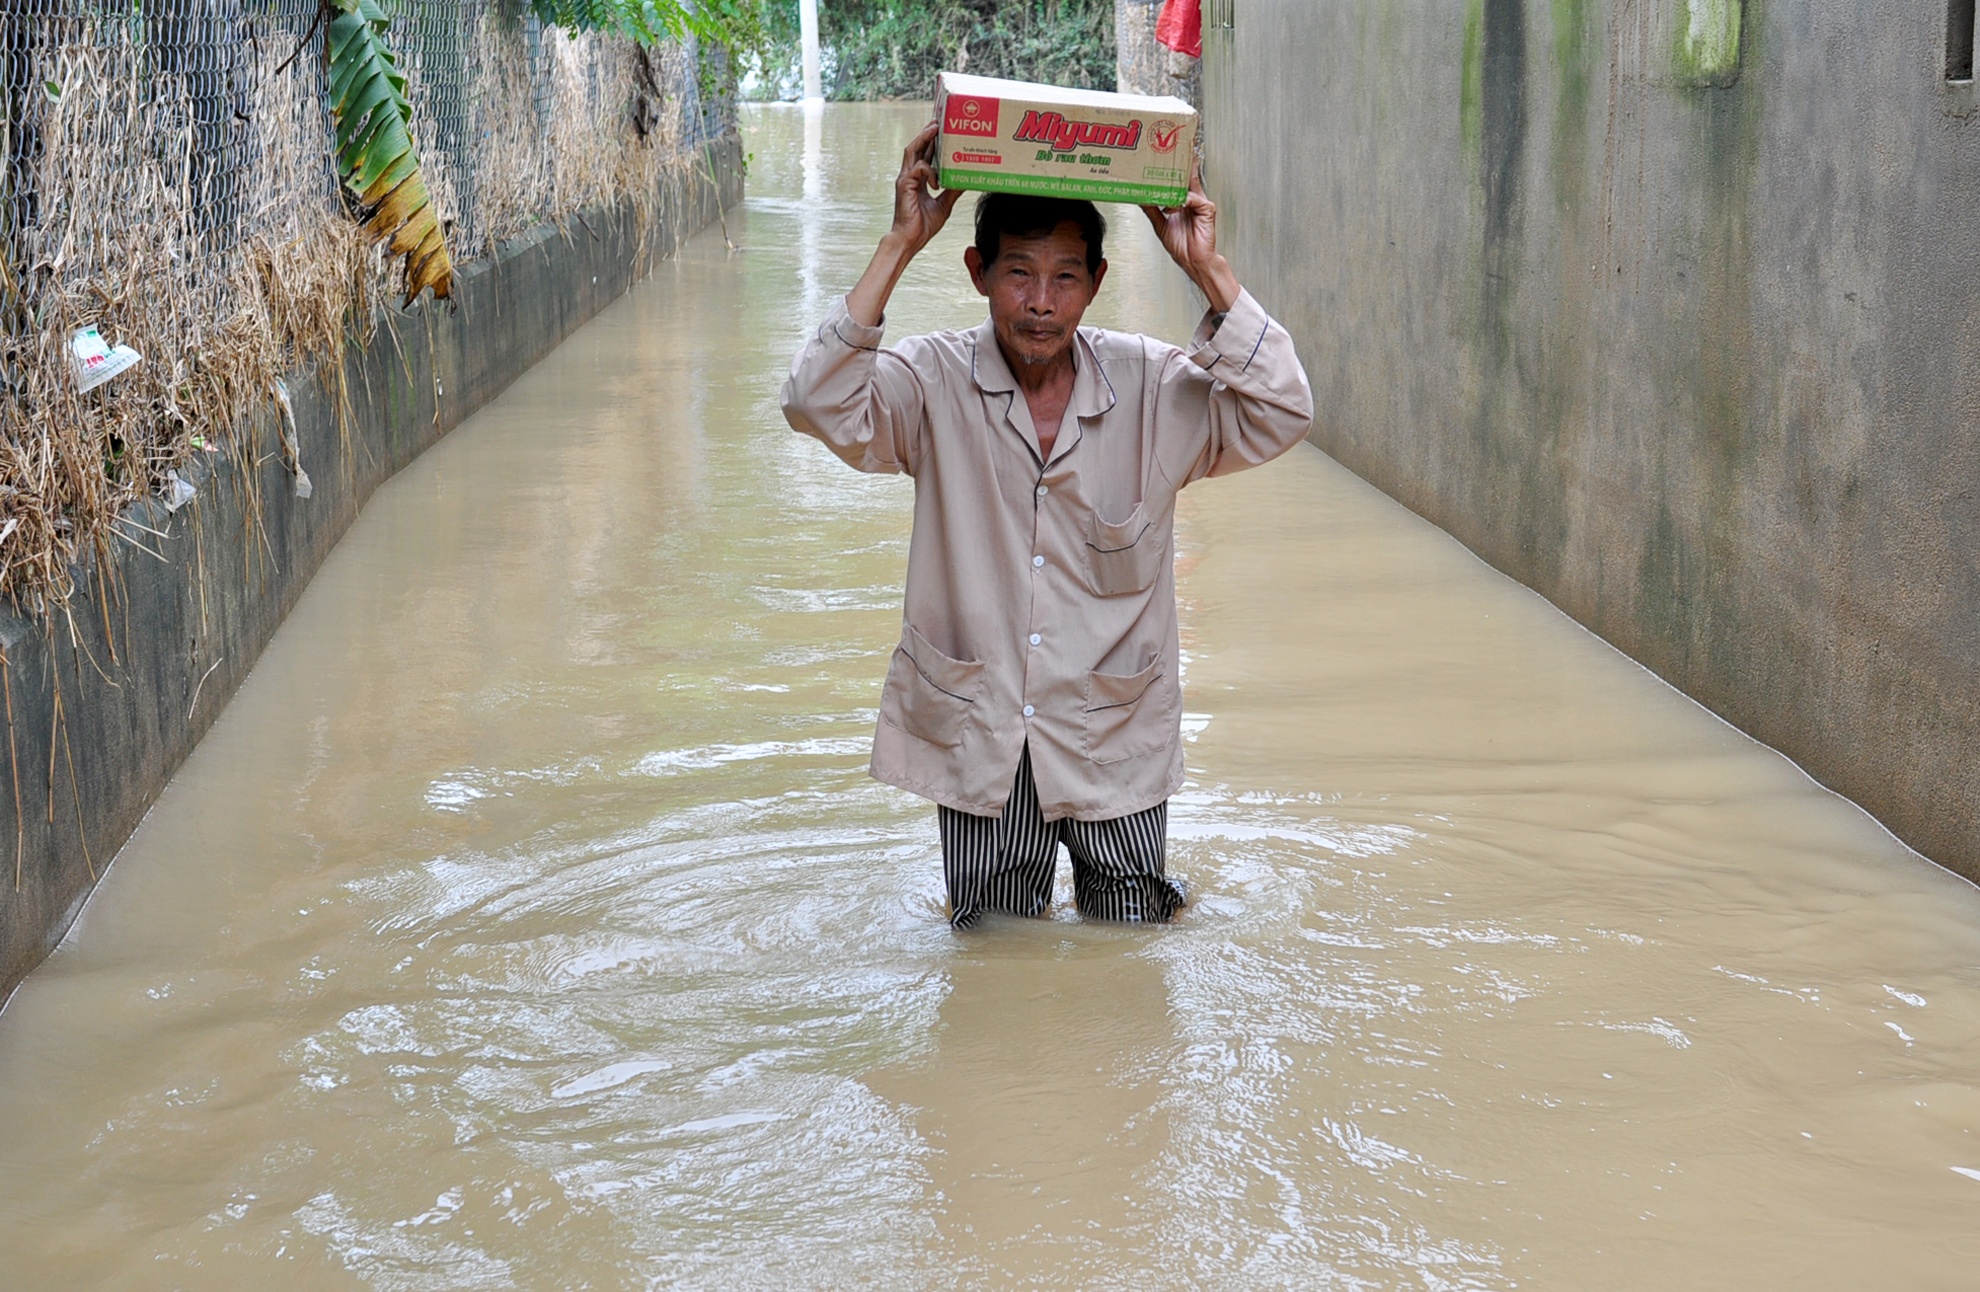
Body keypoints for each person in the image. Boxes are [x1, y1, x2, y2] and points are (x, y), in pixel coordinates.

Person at [781, 121, 1313, 929]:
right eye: (1019, 274)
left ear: (1097, 282)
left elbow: (1285, 410)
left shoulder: (1153, 388)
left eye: (1065, 277)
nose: (1040, 302)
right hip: (982, 735)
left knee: (1132, 937)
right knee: (992, 943)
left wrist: (1206, 268)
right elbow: (813, 401)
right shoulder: (930, 383)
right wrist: (900, 244)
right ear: (978, 273)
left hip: (1114, 734)